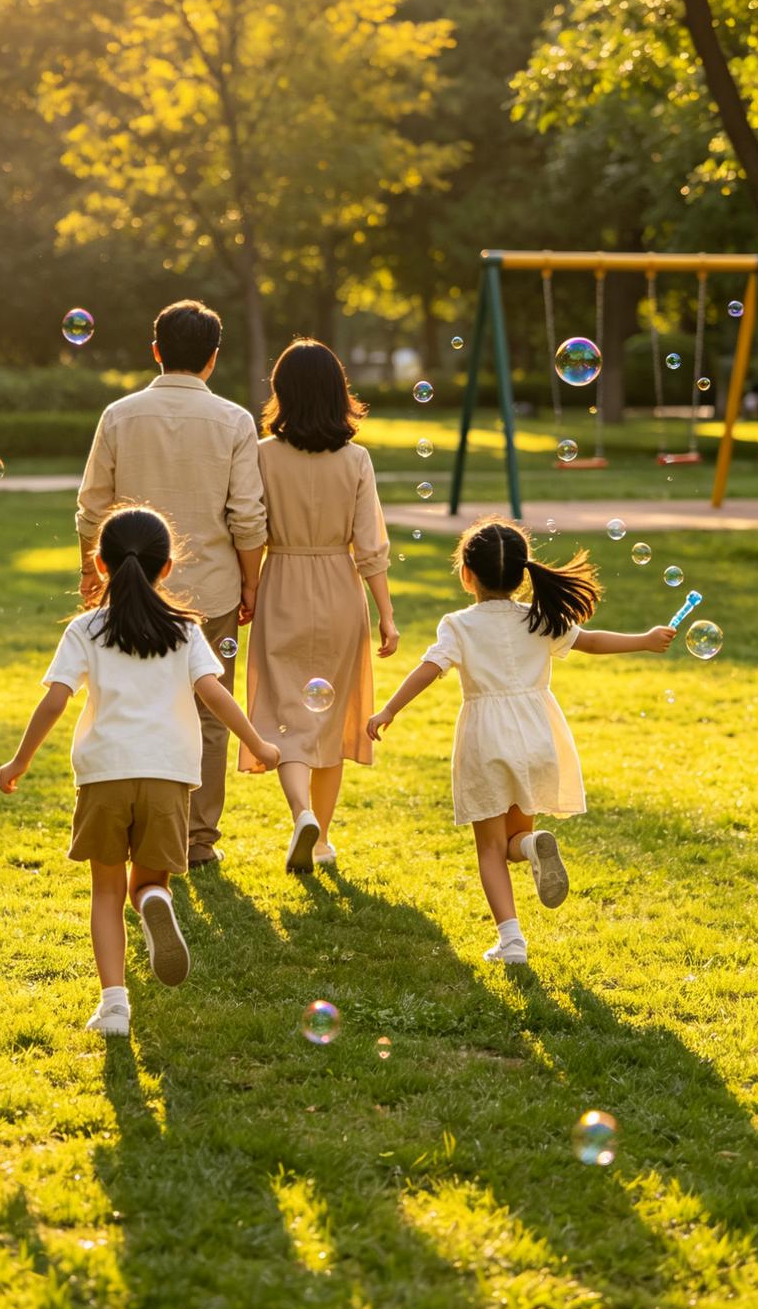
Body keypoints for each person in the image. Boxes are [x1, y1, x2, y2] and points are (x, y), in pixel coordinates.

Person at [0, 506, 279, 1036]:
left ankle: (114, 1006)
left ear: (100, 565)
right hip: (168, 776)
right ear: (167, 568)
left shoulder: (85, 628)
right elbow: (215, 695)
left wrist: (20, 760)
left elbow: (55, 702)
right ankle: (153, 900)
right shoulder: (185, 630)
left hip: (104, 775)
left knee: (105, 892)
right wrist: (259, 744)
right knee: (147, 880)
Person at [367, 517, 675, 964]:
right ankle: (531, 847)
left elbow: (430, 669)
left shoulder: (458, 624)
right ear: (522, 573)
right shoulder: (539, 617)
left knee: (490, 848)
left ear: (466, 574)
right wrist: (643, 641)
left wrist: (389, 709)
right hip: (537, 736)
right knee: (514, 842)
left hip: (486, 740)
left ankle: (511, 941)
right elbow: (589, 641)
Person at [76, 298, 267, 868]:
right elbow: (248, 516)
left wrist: (92, 570)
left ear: (156, 352)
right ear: (212, 359)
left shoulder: (118, 415)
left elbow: (92, 508)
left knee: (125, 702)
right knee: (210, 715)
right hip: (209, 592)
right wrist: (250, 582)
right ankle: (195, 840)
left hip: (128, 590)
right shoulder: (235, 421)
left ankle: (134, 828)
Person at [241, 339, 398, 875]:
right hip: (339, 588)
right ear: (338, 392)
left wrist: (250, 590)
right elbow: (370, 546)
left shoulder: (261, 454)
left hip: (280, 582)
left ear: (281, 393)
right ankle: (323, 838)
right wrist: (387, 615)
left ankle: (301, 812)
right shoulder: (356, 459)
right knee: (328, 721)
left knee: (284, 718)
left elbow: (251, 531)